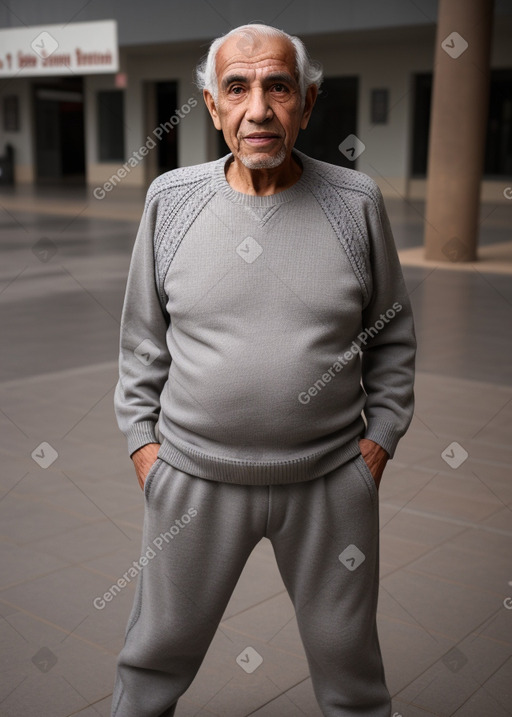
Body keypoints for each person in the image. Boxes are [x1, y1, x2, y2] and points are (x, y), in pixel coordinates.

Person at [111, 22, 416, 717]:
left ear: (307, 103)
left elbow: (393, 333)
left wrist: (377, 444)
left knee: (352, 671)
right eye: (237, 88)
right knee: (154, 655)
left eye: (278, 86)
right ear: (212, 106)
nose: (258, 109)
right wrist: (146, 451)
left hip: (330, 483)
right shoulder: (170, 201)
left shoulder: (356, 202)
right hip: (192, 482)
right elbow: (140, 344)